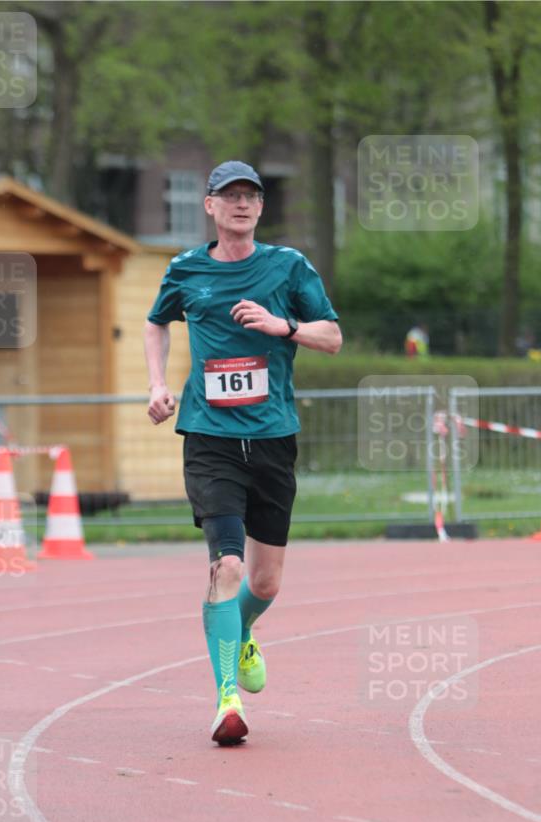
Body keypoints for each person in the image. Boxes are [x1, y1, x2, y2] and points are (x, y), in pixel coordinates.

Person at [144, 160, 342, 746]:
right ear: (209, 206)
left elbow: (331, 337)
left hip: (274, 438)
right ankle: (227, 698)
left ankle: (242, 629)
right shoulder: (186, 270)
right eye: (229, 195)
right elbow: (156, 324)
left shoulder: (288, 267)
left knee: (266, 580)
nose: (241, 204)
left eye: (250, 196)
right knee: (225, 566)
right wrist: (158, 385)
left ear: (260, 207)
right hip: (210, 439)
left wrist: (282, 327)